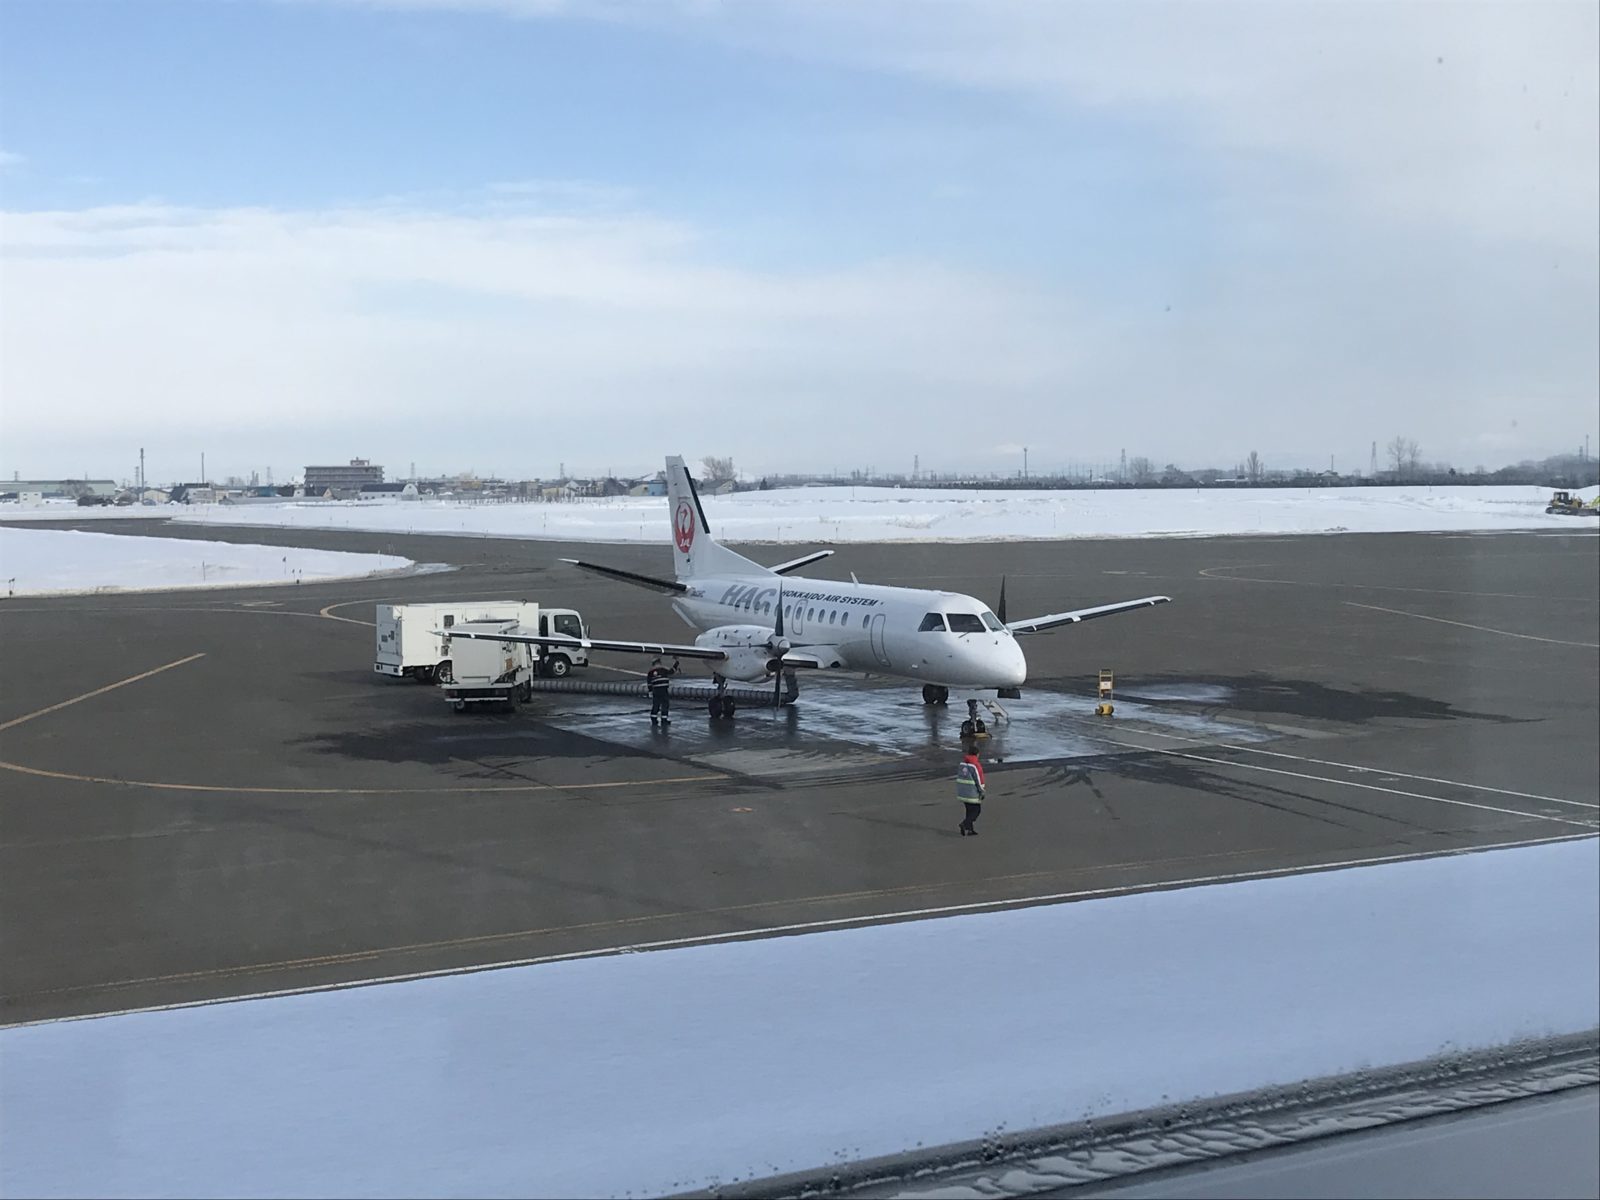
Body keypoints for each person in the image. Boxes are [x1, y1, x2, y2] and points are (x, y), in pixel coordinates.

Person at [956, 749, 986, 836]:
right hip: (972, 792)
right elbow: (979, 780)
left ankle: (970, 830)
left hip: (963, 792)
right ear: (977, 754)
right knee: (976, 810)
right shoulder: (975, 765)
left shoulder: (962, 765)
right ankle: (965, 824)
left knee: (969, 810)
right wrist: (982, 791)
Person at [647, 656, 679, 723]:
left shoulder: (650, 672)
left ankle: (653, 719)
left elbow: (649, 682)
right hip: (664, 689)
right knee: (665, 704)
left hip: (656, 690)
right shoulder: (663, 669)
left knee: (656, 704)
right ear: (659, 662)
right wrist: (676, 663)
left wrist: (650, 691)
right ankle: (664, 719)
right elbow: (672, 671)